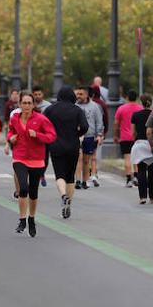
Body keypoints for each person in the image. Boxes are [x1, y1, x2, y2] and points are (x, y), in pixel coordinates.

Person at [7, 92, 56, 237]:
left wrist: (38, 135)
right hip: (19, 157)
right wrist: (11, 138)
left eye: (29, 103)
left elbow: (52, 136)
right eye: (24, 103)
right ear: (19, 104)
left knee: (33, 193)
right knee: (23, 188)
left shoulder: (41, 119)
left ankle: (32, 219)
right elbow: (10, 132)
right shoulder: (15, 118)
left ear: (33, 105)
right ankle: (22, 219)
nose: (27, 106)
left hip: (37, 160)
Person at [45, 86, 89, 219]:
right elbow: (85, 127)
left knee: (59, 174)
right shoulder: (77, 110)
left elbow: (43, 124)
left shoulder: (50, 109)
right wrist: (77, 134)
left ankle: (63, 195)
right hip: (73, 145)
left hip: (56, 145)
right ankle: (68, 202)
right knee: (70, 175)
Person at [130, 94, 153, 205]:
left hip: (140, 143)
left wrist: (135, 140)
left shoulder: (135, 115)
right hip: (152, 143)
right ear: (151, 102)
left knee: (141, 171)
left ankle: (142, 197)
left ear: (141, 103)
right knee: (152, 172)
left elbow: (133, 132)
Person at [75, 86, 104, 190]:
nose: (78, 96)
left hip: (90, 136)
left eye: (81, 94)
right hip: (77, 136)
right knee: (79, 159)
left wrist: (99, 135)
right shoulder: (75, 106)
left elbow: (99, 121)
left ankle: (84, 181)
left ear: (87, 95)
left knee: (87, 160)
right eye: (78, 94)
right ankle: (77, 180)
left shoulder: (95, 107)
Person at [114, 88, 138, 187]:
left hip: (124, 137)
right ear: (136, 98)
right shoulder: (140, 108)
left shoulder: (121, 108)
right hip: (136, 137)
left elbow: (116, 123)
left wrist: (116, 135)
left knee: (127, 157)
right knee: (136, 158)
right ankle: (136, 177)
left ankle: (128, 179)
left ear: (127, 97)